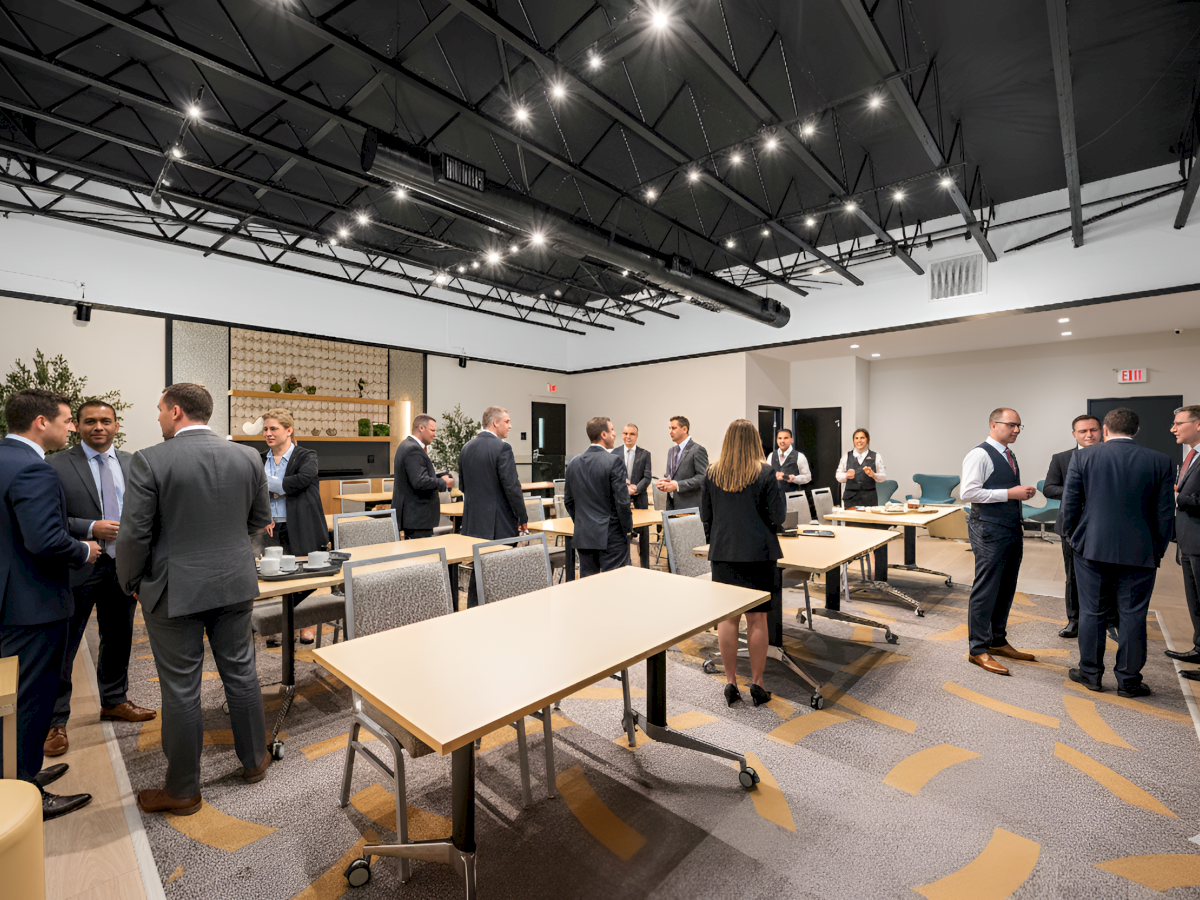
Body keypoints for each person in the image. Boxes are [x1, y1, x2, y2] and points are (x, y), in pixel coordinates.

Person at [117, 384, 273, 815]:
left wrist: (129, 580)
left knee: (182, 689)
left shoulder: (150, 459)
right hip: (235, 583)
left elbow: (134, 533)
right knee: (242, 674)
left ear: (177, 411)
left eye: (161, 410)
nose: (159, 417)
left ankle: (183, 790)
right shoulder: (247, 456)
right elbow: (260, 520)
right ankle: (255, 760)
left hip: (173, 589)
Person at [0, 389, 98, 819]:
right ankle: (24, 795)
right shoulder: (34, 470)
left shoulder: (4, 459)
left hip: (9, 601)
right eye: (66, 420)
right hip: (33, 605)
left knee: (11, 699)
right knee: (30, 700)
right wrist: (84, 551)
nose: (71, 427)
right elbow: (45, 539)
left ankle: (18, 775)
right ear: (41, 422)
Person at [46, 401, 155, 762]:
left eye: (105, 421)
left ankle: (115, 700)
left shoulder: (131, 461)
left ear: (116, 425)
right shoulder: (57, 464)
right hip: (79, 565)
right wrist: (90, 527)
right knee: (66, 645)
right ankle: (55, 720)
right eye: (90, 421)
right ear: (76, 426)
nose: (98, 427)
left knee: (119, 635)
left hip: (122, 567)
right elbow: (49, 517)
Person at [1059, 407, 1174, 696]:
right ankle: (1129, 681)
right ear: (1135, 431)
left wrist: (1071, 536)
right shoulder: (1161, 460)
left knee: (1092, 611)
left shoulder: (1083, 456)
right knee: (1134, 614)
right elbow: (1164, 513)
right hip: (1141, 550)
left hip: (1091, 547)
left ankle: (1090, 674)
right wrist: (1157, 549)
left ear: (1106, 430)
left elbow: (1070, 504)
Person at [700, 419, 785, 708]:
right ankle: (758, 684)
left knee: (728, 619)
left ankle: (731, 682)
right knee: (757, 618)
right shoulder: (765, 473)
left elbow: (706, 515)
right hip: (758, 553)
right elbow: (778, 516)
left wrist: (719, 539)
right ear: (755, 442)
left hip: (724, 554)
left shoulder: (713, 473)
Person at [960, 408, 1038, 675]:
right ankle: (977, 649)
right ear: (993, 424)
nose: (1016, 430)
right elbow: (968, 492)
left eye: (1019, 426)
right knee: (987, 588)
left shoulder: (1009, 453)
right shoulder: (979, 454)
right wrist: (1010, 493)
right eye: (1011, 425)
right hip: (989, 529)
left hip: (1009, 526)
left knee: (1006, 586)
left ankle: (997, 640)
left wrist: (1015, 494)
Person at [261, 408, 327, 645]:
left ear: (289, 430)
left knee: (304, 578)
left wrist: (269, 485)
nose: (268, 433)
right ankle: (276, 625)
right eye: (266, 429)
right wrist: (265, 509)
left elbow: (301, 481)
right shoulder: (259, 459)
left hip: (302, 525)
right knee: (274, 577)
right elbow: (254, 493)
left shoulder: (306, 455)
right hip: (272, 527)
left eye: (274, 428)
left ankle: (305, 625)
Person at [459, 406, 527, 607]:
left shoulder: (466, 448)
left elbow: (463, 486)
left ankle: (473, 609)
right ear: (495, 423)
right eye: (507, 421)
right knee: (500, 572)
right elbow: (512, 488)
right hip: (498, 523)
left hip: (473, 522)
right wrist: (523, 518)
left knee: (478, 570)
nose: (510, 426)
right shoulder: (502, 448)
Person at [1043, 415, 1103, 638]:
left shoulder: (1111, 456)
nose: (1089, 435)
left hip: (1105, 524)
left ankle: (1107, 618)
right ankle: (1074, 620)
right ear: (1074, 434)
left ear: (1102, 431)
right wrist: (1078, 491)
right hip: (1072, 525)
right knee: (1074, 575)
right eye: (1083, 431)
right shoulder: (1062, 458)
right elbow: (1049, 488)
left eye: (1093, 430)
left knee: (1106, 572)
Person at [565, 417, 633, 577]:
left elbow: (568, 501)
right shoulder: (614, 461)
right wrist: (627, 530)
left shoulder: (573, 463)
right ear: (604, 434)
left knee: (588, 584)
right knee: (614, 584)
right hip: (611, 535)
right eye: (612, 430)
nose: (615, 434)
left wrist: (583, 521)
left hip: (584, 534)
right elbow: (622, 502)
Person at [1166, 405, 1200, 675]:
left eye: (1178, 423)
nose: (1173, 428)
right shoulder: (1192, 456)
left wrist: (1177, 497)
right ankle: (1199, 648)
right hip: (1189, 541)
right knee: (1195, 601)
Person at [392, 413, 453, 540]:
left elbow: (415, 475)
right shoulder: (413, 449)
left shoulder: (405, 445)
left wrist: (438, 476)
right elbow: (419, 481)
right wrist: (443, 482)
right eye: (432, 430)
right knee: (421, 557)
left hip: (413, 516)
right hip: (417, 517)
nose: (434, 434)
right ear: (421, 428)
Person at [618, 424, 652, 568]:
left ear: (636, 436)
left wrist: (636, 488)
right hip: (620, 500)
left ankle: (645, 566)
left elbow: (647, 476)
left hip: (640, 500)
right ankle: (625, 565)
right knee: (622, 535)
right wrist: (625, 488)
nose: (628, 437)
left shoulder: (645, 454)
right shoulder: (614, 453)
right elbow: (612, 476)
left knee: (644, 536)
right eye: (625, 433)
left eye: (632, 434)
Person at [657, 416, 708, 510]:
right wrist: (664, 482)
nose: (670, 432)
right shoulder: (671, 451)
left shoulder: (697, 450)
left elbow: (703, 477)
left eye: (674, 428)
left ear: (685, 429)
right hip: (672, 506)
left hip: (690, 507)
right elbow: (672, 476)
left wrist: (677, 485)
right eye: (669, 428)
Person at [836, 428, 885, 507]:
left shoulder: (876, 456)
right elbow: (838, 476)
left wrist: (874, 475)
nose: (859, 441)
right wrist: (846, 475)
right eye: (856, 438)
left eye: (862, 438)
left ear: (867, 439)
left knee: (868, 519)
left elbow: (883, 477)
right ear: (853, 440)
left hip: (869, 499)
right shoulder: (846, 456)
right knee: (850, 519)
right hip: (850, 499)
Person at [769, 428, 811, 495]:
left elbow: (808, 477)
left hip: (793, 498)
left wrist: (794, 478)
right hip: (774, 498)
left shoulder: (800, 456)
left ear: (791, 440)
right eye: (780, 438)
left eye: (786, 438)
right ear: (776, 440)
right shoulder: (771, 456)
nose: (782, 441)